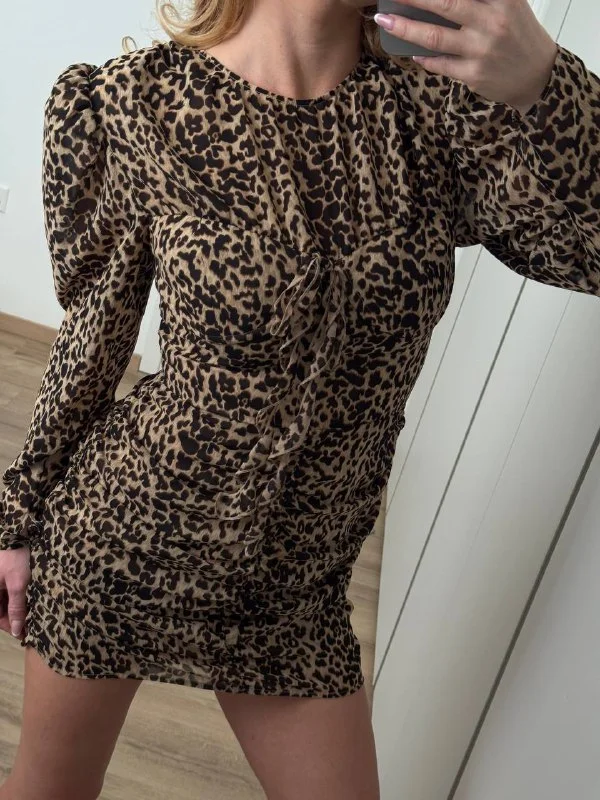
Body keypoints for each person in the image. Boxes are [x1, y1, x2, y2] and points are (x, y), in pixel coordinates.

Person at [0, 0, 598, 797]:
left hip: (294, 593)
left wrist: (546, 85)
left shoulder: (435, 112)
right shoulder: (134, 103)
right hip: (126, 549)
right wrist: (18, 516)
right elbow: (92, 341)